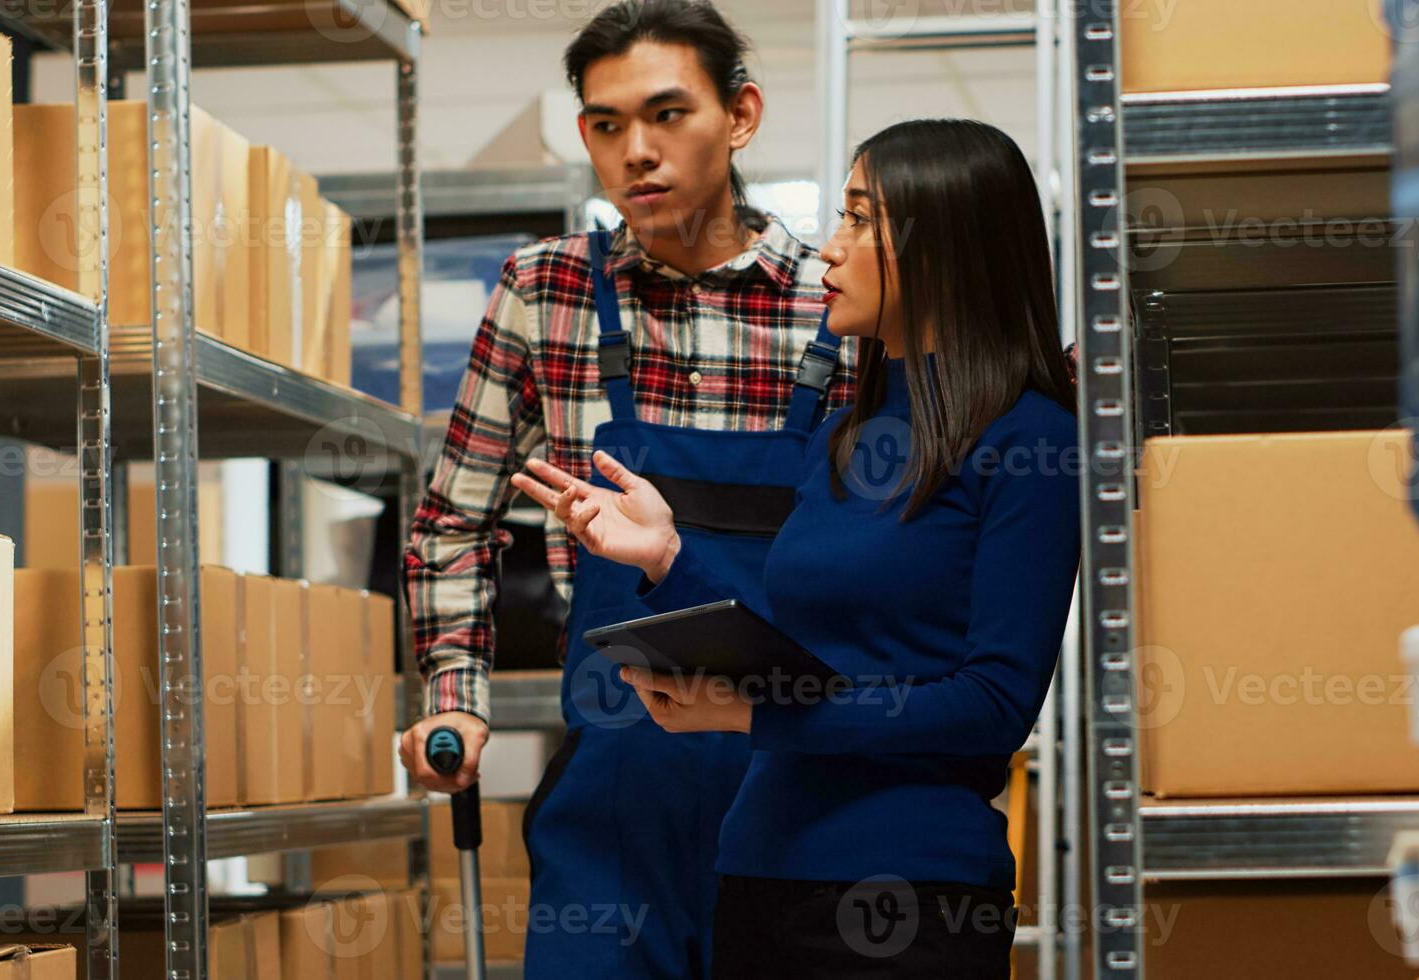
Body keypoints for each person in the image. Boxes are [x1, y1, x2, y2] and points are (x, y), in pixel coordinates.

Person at [513, 118, 1083, 979]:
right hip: (757, 873)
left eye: (860, 219)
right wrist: (666, 559)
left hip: (908, 893)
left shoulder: (1031, 440)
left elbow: (991, 704)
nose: (829, 249)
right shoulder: (844, 435)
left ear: (943, 245)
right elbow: (793, 649)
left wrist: (756, 716)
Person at [396, 2, 857, 976]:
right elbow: (450, 519)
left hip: (803, 786)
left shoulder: (840, 302)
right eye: (606, 126)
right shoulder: (542, 291)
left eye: (666, 115)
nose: (635, 152)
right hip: (614, 791)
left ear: (740, 115)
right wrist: (456, 694)